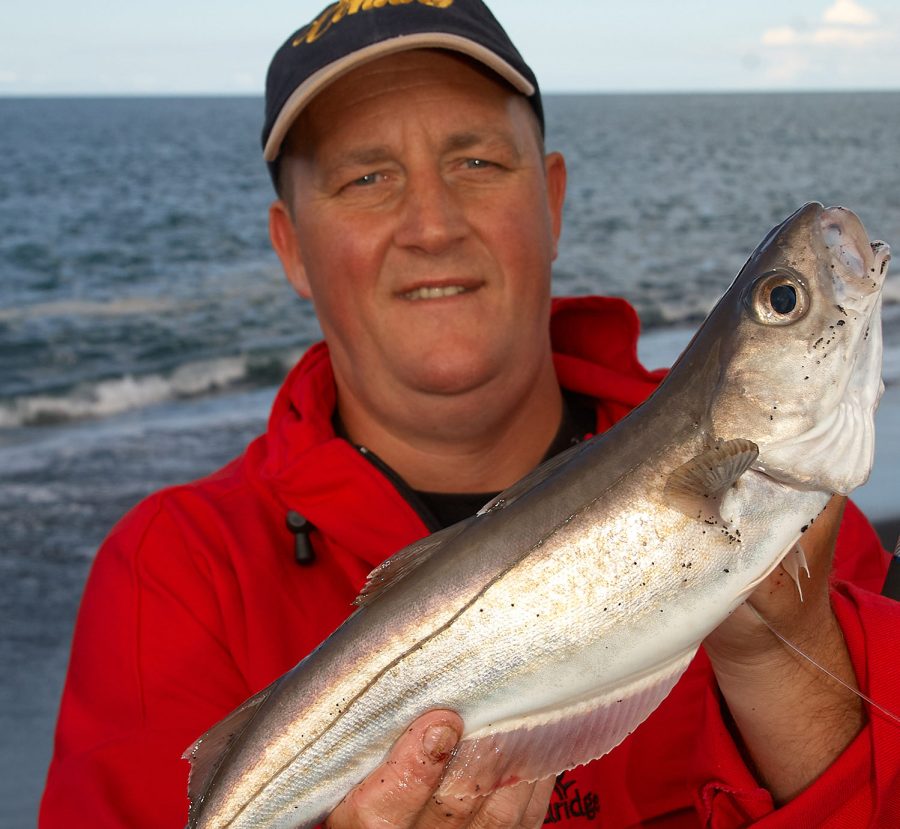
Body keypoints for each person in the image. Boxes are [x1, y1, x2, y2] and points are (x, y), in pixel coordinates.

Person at [40, 2, 898, 827]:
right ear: (291, 245)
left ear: (553, 199)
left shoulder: (817, 534)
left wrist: (790, 662)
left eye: (476, 162)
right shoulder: (174, 572)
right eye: (367, 177)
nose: (432, 223)